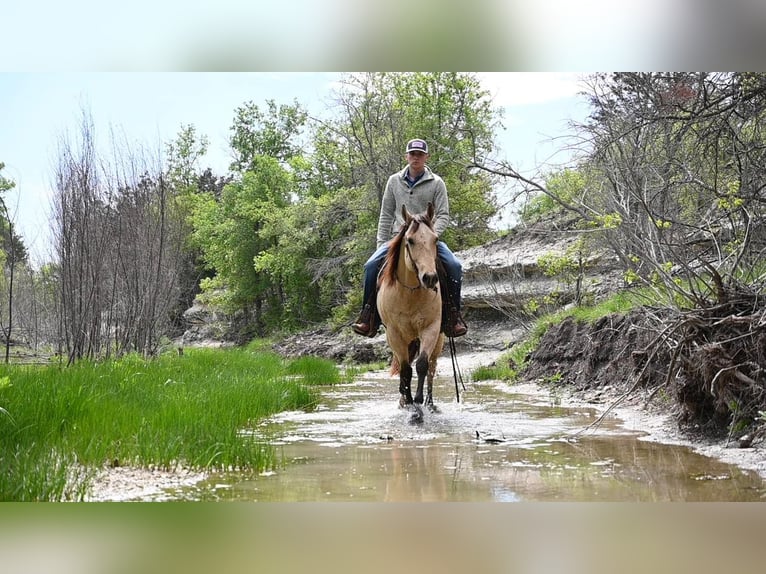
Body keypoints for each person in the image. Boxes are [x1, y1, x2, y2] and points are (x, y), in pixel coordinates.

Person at [352, 138, 468, 338]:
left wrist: (431, 237)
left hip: (428, 240)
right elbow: (386, 214)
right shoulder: (394, 181)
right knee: (371, 266)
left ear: (426, 157)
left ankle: (453, 316)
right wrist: (381, 244)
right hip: (400, 238)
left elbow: (443, 215)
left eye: (420, 154)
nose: (416, 157)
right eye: (412, 154)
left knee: (454, 266)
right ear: (406, 156)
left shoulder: (437, 183)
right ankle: (368, 315)